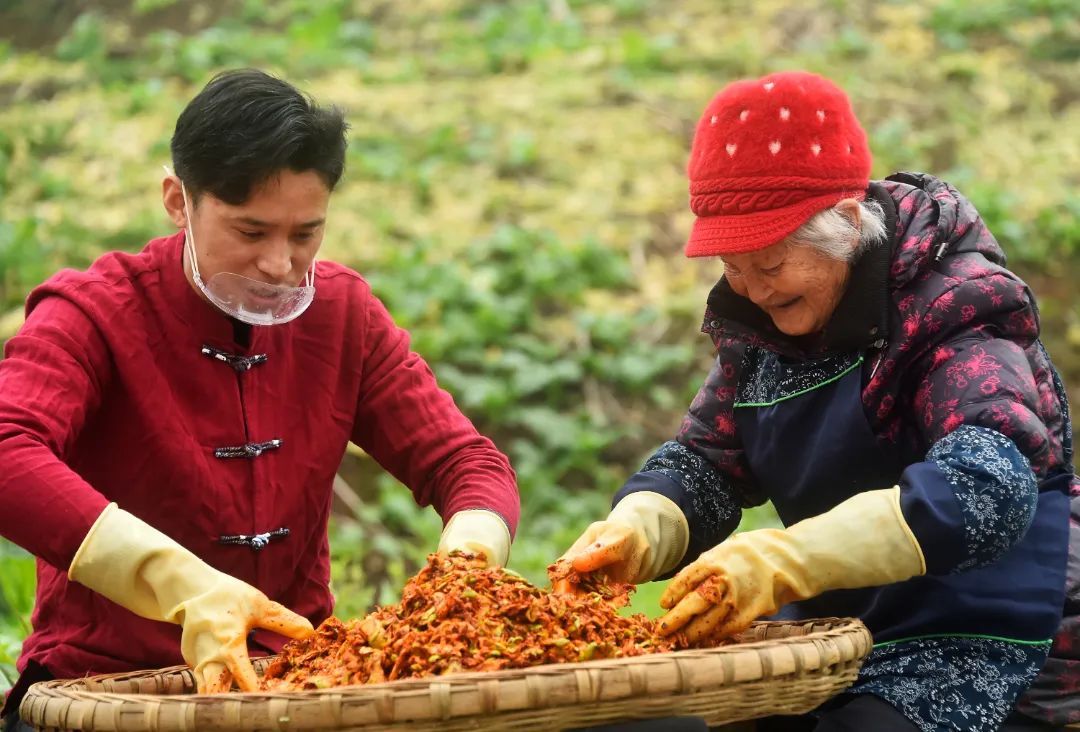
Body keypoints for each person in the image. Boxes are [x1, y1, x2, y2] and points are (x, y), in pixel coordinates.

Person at [0, 69, 519, 730]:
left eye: (305, 235)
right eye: (251, 233)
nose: (280, 264)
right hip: (105, 690)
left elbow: (466, 464)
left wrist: (465, 568)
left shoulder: (342, 315)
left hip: (292, 689)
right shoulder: (96, 312)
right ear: (178, 201)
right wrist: (182, 586)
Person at [560, 70, 1079, 731]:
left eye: (771, 266)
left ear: (845, 223)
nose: (753, 291)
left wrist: (787, 559)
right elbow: (708, 463)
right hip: (836, 627)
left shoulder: (955, 307)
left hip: (980, 633)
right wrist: (641, 525)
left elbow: (985, 488)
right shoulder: (765, 329)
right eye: (733, 269)